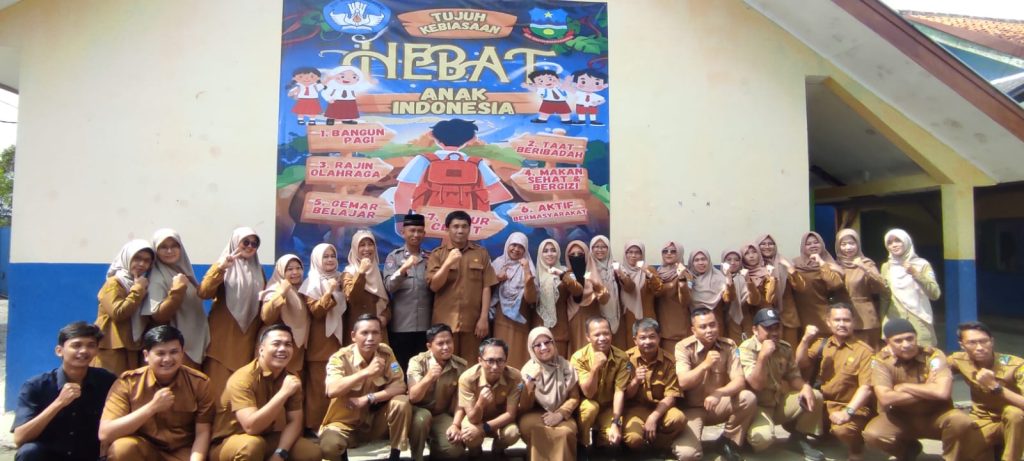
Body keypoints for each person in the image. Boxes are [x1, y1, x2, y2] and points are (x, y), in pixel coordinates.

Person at [863, 318, 986, 461]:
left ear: (916, 337)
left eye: (910, 338)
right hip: (901, 417)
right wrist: (928, 388)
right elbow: (886, 398)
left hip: (937, 415)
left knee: (961, 421)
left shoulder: (933, 355)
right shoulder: (881, 362)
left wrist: (905, 387)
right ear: (887, 342)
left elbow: (942, 392)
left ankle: (951, 458)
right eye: (898, 341)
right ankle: (908, 451)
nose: (906, 344)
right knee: (873, 435)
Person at [208, 324, 320, 461]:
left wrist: (280, 454)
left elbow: (295, 421)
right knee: (251, 446)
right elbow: (251, 427)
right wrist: (283, 393)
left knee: (311, 452)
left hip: (266, 438)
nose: (282, 349)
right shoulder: (243, 379)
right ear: (261, 349)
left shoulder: (290, 379)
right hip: (230, 443)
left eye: (288, 345)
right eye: (276, 344)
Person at [99, 325, 213, 460]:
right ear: (146, 355)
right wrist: (152, 407)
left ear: (182, 353)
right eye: (160, 353)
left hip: (182, 452)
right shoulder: (128, 383)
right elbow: (105, 434)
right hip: (144, 451)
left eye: (174, 352)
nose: (167, 359)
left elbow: (203, 432)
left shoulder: (199, 383)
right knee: (122, 448)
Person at [12, 322, 116, 461]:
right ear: (59, 351)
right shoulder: (36, 386)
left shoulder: (107, 381)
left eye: (91, 345)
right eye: (76, 345)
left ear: (97, 351)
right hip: (51, 456)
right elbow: (20, 438)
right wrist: (59, 403)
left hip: (91, 455)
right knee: (29, 452)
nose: (84, 351)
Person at [320, 314, 411, 461]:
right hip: (344, 423)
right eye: (364, 333)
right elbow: (331, 390)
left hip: (373, 423)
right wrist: (365, 373)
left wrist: (368, 398)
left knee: (401, 402)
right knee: (329, 446)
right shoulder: (340, 358)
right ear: (353, 336)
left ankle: (395, 455)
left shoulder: (385, 353)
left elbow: (400, 385)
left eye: (375, 333)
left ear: (381, 336)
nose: (370, 338)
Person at [739, 308, 824, 460]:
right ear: (755, 330)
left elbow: (793, 376)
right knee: (762, 440)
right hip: (757, 407)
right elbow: (756, 385)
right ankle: (745, 437)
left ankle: (799, 439)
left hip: (777, 402)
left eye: (777, 327)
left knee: (814, 395)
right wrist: (762, 357)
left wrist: (805, 387)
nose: (774, 333)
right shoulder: (746, 348)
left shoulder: (784, 347)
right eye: (768, 328)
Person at [794, 303, 874, 461]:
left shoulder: (864, 351)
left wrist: (848, 412)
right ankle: (818, 436)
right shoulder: (822, 344)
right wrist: (805, 339)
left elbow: (866, 388)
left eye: (846, 320)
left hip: (850, 407)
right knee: (793, 412)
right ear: (828, 322)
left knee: (842, 430)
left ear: (854, 322)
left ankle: (856, 449)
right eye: (837, 320)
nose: (842, 324)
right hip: (824, 405)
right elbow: (800, 363)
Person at [674, 307, 756, 461]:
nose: (709, 330)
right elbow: (682, 382)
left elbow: (739, 381)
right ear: (693, 330)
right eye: (703, 327)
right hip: (692, 409)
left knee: (748, 397)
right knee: (688, 455)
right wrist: (705, 364)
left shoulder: (729, 345)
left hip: (717, 404)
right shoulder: (683, 347)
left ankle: (728, 441)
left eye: (712, 325)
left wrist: (719, 393)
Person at [199, 227, 265, 402]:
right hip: (223, 338)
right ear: (235, 242)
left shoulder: (258, 270)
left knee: (241, 390)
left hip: (248, 337)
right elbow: (204, 292)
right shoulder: (223, 265)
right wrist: (221, 269)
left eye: (254, 244)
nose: (250, 246)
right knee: (218, 391)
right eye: (245, 242)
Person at [427, 210, 498, 363]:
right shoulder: (437, 254)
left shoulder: (481, 253)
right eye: (456, 226)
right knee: (444, 366)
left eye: (464, 226)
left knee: (471, 366)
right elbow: (434, 286)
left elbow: (487, 286)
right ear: (447, 229)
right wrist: (447, 263)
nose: (460, 230)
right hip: (444, 325)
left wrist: (484, 318)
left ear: (469, 229)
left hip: (473, 324)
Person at [949, 321, 1024, 461]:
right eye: (972, 343)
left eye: (984, 341)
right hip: (982, 420)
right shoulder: (959, 360)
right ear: (962, 345)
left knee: (1015, 414)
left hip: (1015, 423)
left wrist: (995, 387)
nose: (980, 347)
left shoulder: (1015, 365)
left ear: (992, 342)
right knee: (963, 455)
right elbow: (933, 365)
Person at [144, 229, 210, 370]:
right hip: (177, 351)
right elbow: (158, 316)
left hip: (195, 346)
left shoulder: (183, 271)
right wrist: (178, 290)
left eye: (174, 246)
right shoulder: (157, 277)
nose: (169, 251)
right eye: (163, 247)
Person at [622, 318, 686, 455]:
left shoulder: (669, 361)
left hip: (659, 408)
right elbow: (623, 396)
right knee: (634, 439)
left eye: (652, 337)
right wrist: (635, 381)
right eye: (642, 338)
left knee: (678, 419)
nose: (647, 341)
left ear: (659, 337)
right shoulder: (626, 360)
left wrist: (653, 418)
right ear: (635, 340)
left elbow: (671, 397)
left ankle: (657, 448)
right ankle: (635, 450)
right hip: (634, 409)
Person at [299, 242, 345, 431]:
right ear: (317, 259)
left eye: (332, 256)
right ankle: (315, 426)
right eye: (325, 256)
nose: (330, 260)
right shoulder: (311, 282)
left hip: (339, 341)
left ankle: (334, 423)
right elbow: (316, 312)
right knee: (318, 387)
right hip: (320, 343)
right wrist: (329, 292)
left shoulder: (341, 278)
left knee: (338, 385)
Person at [407, 324, 469, 461]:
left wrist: (455, 425)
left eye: (449, 342)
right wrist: (428, 378)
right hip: (418, 412)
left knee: (454, 450)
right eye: (440, 344)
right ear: (429, 346)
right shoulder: (417, 362)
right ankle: (416, 457)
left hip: (440, 415)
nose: (446, 347)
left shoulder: (461, 366)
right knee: (422, 418)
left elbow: (461, 401)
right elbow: (413, 397)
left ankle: (435, 447)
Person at [518, 327, 580, 461]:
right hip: (535, 413)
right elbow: (524, 407)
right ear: (531, 349)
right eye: (538, 345)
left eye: (547, 342)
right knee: (536, 429)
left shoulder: (565, 366)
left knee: (565, 432)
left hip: (562, 414)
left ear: (553, 343)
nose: (544, 347)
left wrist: (560, 414)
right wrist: (530, 383)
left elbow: (574, 397)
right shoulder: (528, 370)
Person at [95, 239, 155, 375]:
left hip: (133, 346)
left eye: (147, 261)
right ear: (127, 257)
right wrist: (138, 290)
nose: (141, 264)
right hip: (112, 346)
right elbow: (118, 313)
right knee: (110, 385)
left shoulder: (142, 283)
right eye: (137, 258)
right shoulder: (115, 283)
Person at [571, 316, 630, 452]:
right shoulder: (578, 357)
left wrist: (616, 422)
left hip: (609, 406)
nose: (602, 338)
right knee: (591, 408)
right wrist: (595, 368)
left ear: (611, 334)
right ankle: (581, 444)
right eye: (597, 335)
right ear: (588, 337)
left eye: (606, 333)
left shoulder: (622, 357)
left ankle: (600, 443)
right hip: (587, 404)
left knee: (612, 439)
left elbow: (619, 391)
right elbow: (588, 393)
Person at [384, 212, 433, 372]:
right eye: (412, 230)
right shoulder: (394, 257)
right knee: (400, 368)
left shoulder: (430, 258)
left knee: (423, 368)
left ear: (424, 234)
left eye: (419, 231)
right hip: (401, 325)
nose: (416, 234)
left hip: (425, 325)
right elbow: (389, 286)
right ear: (403, 232)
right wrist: (403, 269)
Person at [458, 338, 522, 457]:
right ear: (480, 361)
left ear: (506, 361)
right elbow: (473, 419)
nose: (495, 366)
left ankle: (498, 449)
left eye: (500, 360)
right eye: (490, 361)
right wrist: (480, 403)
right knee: (470, 434)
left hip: (501, 419)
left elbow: (511, 414)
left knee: (512, 433)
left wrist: (484, 428)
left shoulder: (514, 377)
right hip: (475, 419)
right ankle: (475, 452)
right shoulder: (467, 379)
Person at [880, 228, 941, 347]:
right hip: (894, 318)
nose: (894, 245)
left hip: (919, 318)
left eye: (898, 240)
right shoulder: (886, 267)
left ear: (906, 242)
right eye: (890, 242)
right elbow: (885, 297)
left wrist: (915, 273)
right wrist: (882, 320)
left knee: (924, 353)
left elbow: (935, 294)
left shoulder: (922, 264)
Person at [783, 231, 846, 339]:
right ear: (803, 247)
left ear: (822, 244)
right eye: (808, 244)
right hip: (801, 313)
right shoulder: (796, 264)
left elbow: (835, 284)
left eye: (816, 242)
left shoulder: (830, 263)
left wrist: (821, 262)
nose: (813, 246)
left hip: (822, 313)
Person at [491, 232, 538, 368]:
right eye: (514, 245)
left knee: (519, 352)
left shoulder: (528, 266)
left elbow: (532, 298)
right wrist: (497, 278)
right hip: (501, 317)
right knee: (500, 351)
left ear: (525, 250)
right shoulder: (498, 263)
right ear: (507, 245)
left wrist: (526, 271)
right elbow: (485, 289)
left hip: (521, 316)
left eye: (521, 247)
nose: (516, 249)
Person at [835, 229, 886, 349]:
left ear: (858, 244)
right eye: (843, 244)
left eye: (851, 243)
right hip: (843, 316)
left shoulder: (867, 264)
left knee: (868, 352)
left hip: (865, 318)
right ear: (838, 246)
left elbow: (881, 286)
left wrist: (863, 267)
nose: (848, 248)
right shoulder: (835, 265)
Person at [534, 239, 584, 359]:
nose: (549, 254)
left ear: (558, 253)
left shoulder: (565, 272)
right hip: (538, 328)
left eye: (553, 250)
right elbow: (530, 299)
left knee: (559, 364)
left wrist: (561, 275)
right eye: (545, 251)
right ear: (540, 254)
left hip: (560, 329)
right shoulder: (535, 274)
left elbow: (578, 291)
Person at [259, 254, 309, 375]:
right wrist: (281, 293)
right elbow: (266, 317)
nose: (295, 272)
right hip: (277, 350)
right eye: (289, 269)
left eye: (298, 268)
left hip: (296, 349)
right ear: (281, 271)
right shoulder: (275, 289)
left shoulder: (301, 290)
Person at [342, 230, 391, 345]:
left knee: (380, 356)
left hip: (379, 329)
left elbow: (388, 302)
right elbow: (352, 298)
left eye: (370, 244)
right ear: (355, 248)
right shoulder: (348, 273)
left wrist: (385, 317)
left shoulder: (379, 273)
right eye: (362, 245)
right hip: (359, 331)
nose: (367, 249)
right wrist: (361, 272)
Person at [754, 234, 800, 346]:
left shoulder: (784, 263)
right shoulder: (754, 268)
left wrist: (789, 266)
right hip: (766, 319)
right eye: (763, 244)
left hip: (788, 317)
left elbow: (800, 286)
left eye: (770, 244)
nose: (767, 246)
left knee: (790, 350)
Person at [617, 240, 663, 349]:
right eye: (630, 252)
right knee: (628, 348)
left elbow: (659, 290)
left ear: (642, 255)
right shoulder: (619, 271)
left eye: (637, 252)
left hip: (646, 316)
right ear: (625, 254)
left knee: (648, 347)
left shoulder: (649, 269)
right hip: (625, 318)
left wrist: (648, 274)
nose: (633, 255)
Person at [567, 239, 609, 354]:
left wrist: (594, 283)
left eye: (580, 254)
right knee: (576, 352)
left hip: (592, 319)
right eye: (572, 254)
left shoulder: (594, 272)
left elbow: (604, 299)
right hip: (573, 319)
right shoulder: (566, 275)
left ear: (586, 255)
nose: (576, 257)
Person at [654, 241, 693, 353]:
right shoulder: (658, 273)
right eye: (665, 251)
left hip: (677, 329)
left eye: (673, 251)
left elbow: (686, 300)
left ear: (680, 253)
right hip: (660, 325)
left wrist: (681, 279)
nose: (669, 253)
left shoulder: (685, 274)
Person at [721, 248, 764, 345]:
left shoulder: (745, 277)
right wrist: (728, 279)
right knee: (732, 348)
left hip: (747, 318)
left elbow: (755, 301)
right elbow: (728, 298)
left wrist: (748, 280)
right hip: (728, 319)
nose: (733, 263)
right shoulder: (719, 278)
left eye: (736, 260)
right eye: (729, 260)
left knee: (750, 346)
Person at [588, 236, 624, 349]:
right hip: (594, 308)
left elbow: (626, 286)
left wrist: (620, 274)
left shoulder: (616, 266)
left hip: (613, 309)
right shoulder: (587, 267)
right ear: (591, 248)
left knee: (614, 342)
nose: (600, 249)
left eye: (604, 247)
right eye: (596, 247)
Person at [688, 249, 729, 338]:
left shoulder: (719, 278)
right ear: (691, 263)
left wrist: (729, 279)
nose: (701, 263)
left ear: (709, 261)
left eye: (703, 259)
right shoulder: (688, 279)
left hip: (716, 325)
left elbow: (728, 299)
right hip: (694, 324)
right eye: (696, 260)